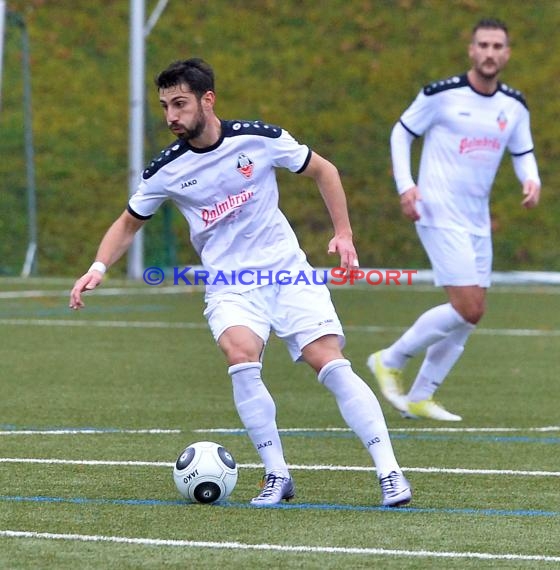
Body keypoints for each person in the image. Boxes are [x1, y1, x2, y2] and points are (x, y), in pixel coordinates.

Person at [69, 58, 411, 507]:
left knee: (327, 360)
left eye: (180, 103)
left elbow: (324, 171)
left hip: (287, 271)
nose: (171, 116)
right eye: (165, 106)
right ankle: (277, 475)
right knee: (240, 354)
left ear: (207, 100)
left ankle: (390, 473)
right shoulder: (165, 170)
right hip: (231, 284)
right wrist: (97, 267)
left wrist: (343, 232)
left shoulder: (259, 139)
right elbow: (129, 223)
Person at [368, 18, 541, 421]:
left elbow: (523, 151)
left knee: (469, 314)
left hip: (476, 218)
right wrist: (405, 185)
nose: (490, 53)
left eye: (498, 46)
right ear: (471, 50)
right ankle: (389, 359)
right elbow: (401, 133)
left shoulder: (513, 105)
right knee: (470, 306)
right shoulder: (440, 95)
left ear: (507, 53)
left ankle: (421, 395)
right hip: (438, 210)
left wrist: (531, 179)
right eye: (483, 45)